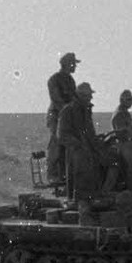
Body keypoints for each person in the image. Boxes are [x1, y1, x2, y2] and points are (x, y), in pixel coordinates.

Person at [56, 81, 104, 216]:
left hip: (88, 152)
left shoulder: (86, 111)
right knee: (80, 177)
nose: (91, 98)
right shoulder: (68, 111)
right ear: (81, 96)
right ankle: (80, 203)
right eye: (89, 96)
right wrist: (79, 144)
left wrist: (98, 145)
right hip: (76, 153)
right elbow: (62, 135)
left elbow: (90, 133)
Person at [45, 52, 79, 184]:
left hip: (67, 115)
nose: (75, 66)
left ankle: (64, 173)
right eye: (73, 64)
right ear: (66, 64)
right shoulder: (54, 79)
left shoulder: (71, 81)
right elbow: (56, 99)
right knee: (56, 141)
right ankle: (52, 174)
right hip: (56, 115)